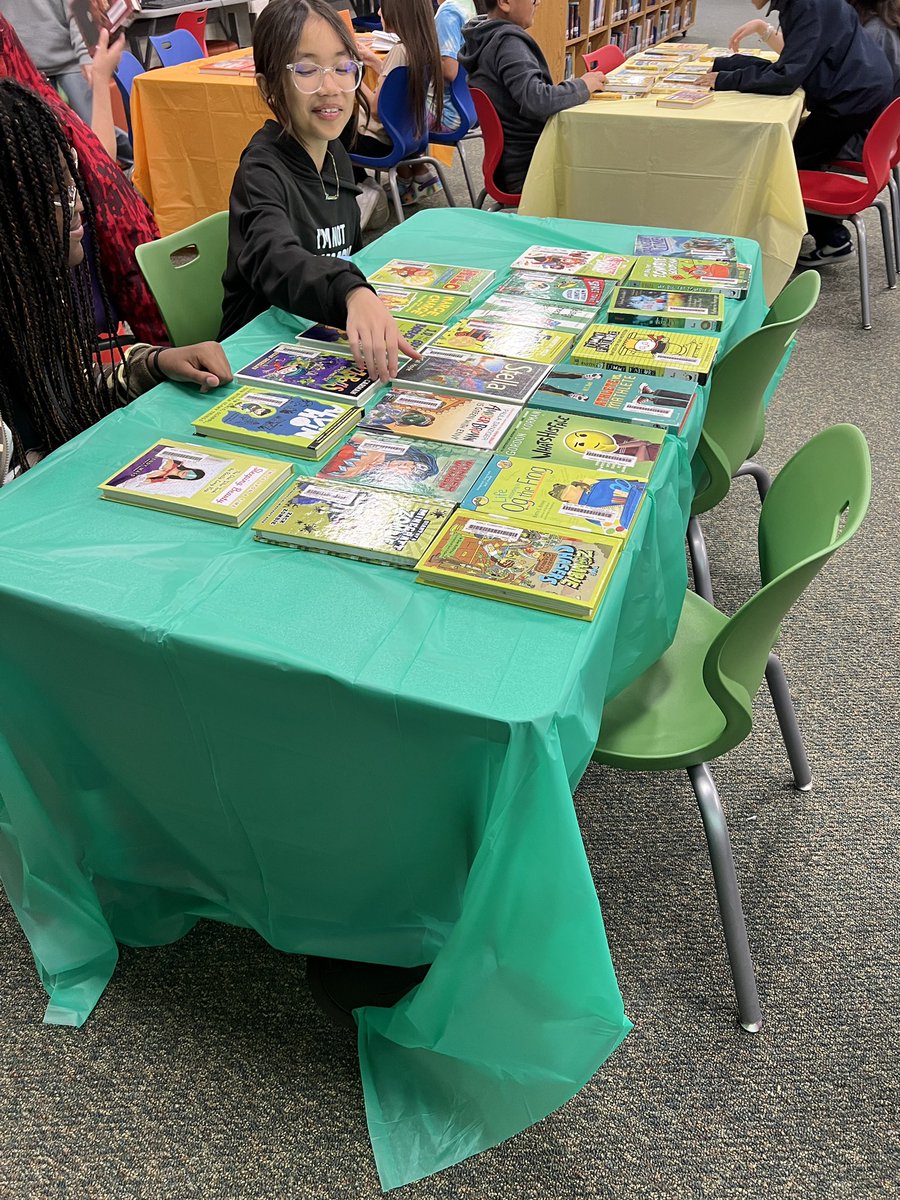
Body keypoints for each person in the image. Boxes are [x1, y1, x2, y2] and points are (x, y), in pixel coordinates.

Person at [0, 80, 232, 481]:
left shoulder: (29, 308)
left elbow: (71, 391)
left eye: (71, 180)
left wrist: (157, 362)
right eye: (55, 193)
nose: (78, 205)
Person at [220, 0, 415, 382]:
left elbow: (351, 255)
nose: (331, 88)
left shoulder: (337, 154)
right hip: (257, 358)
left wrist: (359, 293)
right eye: (307, 70)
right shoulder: (260, 170)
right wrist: (349, 291)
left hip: (320, 340)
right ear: (269, 87)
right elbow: (275, 257)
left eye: (343, 68)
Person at [0, 15, 167, 342]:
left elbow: (94, 161)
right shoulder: (23, 124)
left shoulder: (32, 117)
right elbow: (95, 163)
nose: (76, 201)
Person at [699, 0, 894, 265]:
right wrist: (725, 65)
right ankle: (814, 231)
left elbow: (786, 78)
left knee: (785, 162)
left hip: (851, 98)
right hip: (859, 86)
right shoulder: (805, 4)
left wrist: (726, 79)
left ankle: (832, 240)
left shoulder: (807, 7)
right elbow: (792, 64)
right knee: (796, 151)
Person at [459, 0, 607, 195]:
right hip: (531, 165)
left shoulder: (482, 35)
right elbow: (537, 101)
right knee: (612, 161)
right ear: (504, 2)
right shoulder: (508, 43)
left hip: (511, 162)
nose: (537, 4)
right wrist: (583, 85)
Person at [354, 0, 446, 205]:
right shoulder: (421, 46)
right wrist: (373, 60)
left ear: (398, 14)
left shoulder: (398, 51)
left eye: (383, 8)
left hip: (380, 141)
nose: (378, 12)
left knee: (334, 137)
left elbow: (377, 110)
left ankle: (365, 194)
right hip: (411, 135)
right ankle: (406, 180)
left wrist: (354, 79)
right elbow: (397, 84)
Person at [433, 0, 477, 132]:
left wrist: (421, 53)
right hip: (469, 105)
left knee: (392, 108)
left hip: (446, 113)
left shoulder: (447, 14)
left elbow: (449, 71)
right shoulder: (467, 5)